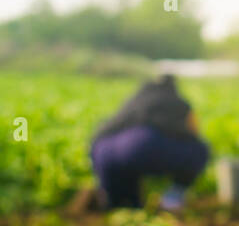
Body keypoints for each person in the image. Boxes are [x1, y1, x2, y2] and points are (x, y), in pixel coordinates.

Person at [88, 73, 210, 210]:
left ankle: (113, 204)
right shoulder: (176, 101)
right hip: (141, 146)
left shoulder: (134, 101)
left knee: (124, 207)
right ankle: (171, 201)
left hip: (103, 152)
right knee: (200, 150)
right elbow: (194, 131)